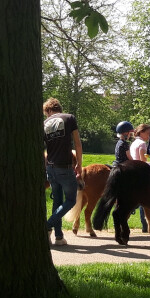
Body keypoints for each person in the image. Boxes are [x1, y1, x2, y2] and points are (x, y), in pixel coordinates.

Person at [44, 97, 83, 246]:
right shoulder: (69, 118)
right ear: (59, 107)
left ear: (48, 111)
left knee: (58, 201)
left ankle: (59, 237)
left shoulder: (44, 124)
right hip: (65, 167)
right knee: (71, 200)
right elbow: (77, 144)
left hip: (50, 168)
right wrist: (79, 164)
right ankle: (48, 225)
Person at [130, 123, 150, 232]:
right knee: (146, 199)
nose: (149, 136)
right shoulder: (143, 144)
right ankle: (148, 226)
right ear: (142, 132)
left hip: (133, 170)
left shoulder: (134, 143)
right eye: (148, 133)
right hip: (140, 172)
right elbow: (142, 161)